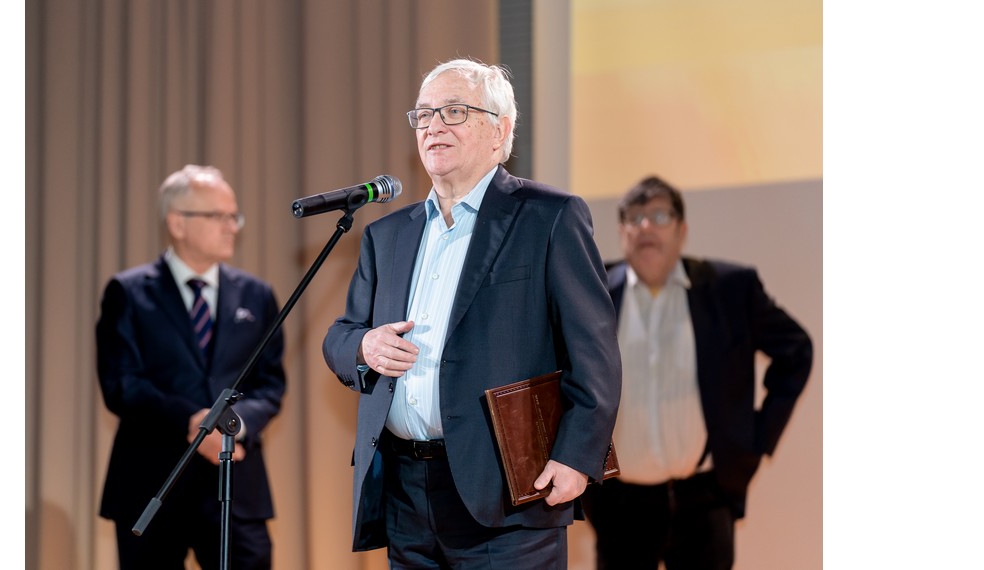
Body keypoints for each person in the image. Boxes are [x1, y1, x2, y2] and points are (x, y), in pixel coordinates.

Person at [321, 58, 622, 568]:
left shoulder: (549, 217)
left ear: (499, 131)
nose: (434, 125)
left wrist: (576, 457)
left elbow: (595, 354)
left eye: (454, 111)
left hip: (509, 495)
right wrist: (364, 346)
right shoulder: (386, 235)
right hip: (405, 495)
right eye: (424, 114)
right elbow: (342, 334)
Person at [579, 175, 814, 570]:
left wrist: (757, 439)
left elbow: (796, 351)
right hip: (618, 504)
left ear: (682, 230)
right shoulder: (591, 291)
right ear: (621, 232)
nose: (646, 227)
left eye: (659, 216)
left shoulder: (729, 289)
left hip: (704, 500)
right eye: (634, 218)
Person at [95, 164, 286, 569]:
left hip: (234, 486)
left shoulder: (256, 295)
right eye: (218, 216)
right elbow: (121, 384)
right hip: (152, 482)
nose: (232, 226)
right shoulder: (129, 293)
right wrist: (192, 420)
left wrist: (234, 424)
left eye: (234, 216)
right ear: (177, 223)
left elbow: (270, 384)